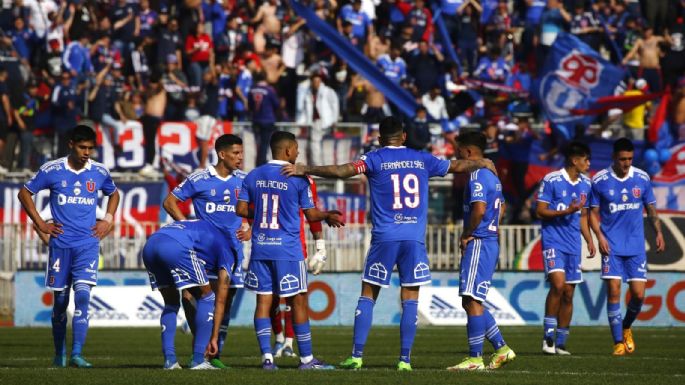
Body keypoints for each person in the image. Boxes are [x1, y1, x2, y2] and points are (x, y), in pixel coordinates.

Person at [281, 117, 497, 371]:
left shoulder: (374, 158)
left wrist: (305, 168)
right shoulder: (422, 158)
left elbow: (342, 171)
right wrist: (481, 161)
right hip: (413, 240)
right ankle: (404, 360)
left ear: (380, 138)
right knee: (410, 298)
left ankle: (357, 356)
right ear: (403, 136)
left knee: (368, 294)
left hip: (385, 237)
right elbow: (457, 166)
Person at [236, 131, 344, 370]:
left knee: (263, 302)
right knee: (298, 301)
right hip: (287, 249)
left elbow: (241, 209)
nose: (298, 154)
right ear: (287, 151)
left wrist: (263, 215)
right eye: (296, 149)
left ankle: (267, 358)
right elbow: (311, 214)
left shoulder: (253, 175)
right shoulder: (297, 178)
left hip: (261, 248)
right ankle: (306, 359)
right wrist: (327, 215)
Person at [17, 125, 120, 368]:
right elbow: (24, 193)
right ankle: (59, 353)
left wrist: (107, 219)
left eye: (91, 148)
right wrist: (40, 222)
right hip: (61, 246)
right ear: (71, 145)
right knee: (61, 302)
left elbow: (114, 194)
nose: (87, 152)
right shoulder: (51, 169)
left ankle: (77, 354)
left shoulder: (99, 172)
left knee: (83, 296)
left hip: (87, 244)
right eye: (83, 147)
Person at [162, 134, 248, 368]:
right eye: (236, 153)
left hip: (231, 252)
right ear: (222, 154)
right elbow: (169, 202)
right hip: (201, 251)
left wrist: (249, 228)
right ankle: (198, 350)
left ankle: (215, 353)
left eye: (242, 153)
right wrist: (189, 227)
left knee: (226, 301)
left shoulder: (244, 180)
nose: (241, 158)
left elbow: (256, 210)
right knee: (190, 296)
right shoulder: (199, 178)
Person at [589, 138, 665, 355]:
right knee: (613, 292)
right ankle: (617, 343)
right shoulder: (600, 180)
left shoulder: (642, 178)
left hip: (635, 247)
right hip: (611, 247)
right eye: (622, 159)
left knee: (639, 296)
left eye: (630, 159)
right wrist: (599, 237)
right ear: (614, 157)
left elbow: (651, 209)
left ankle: (626, 327)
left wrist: (658, 232)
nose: (626, 163)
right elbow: (591, 214)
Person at [447, 131, 515, 371]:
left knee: (472, 300)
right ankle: (502, 348)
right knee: (470, 299)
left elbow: (479, 209)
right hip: (488, 240)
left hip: (479, 242)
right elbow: (502, 205)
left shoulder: (477, 176)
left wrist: (468, 233)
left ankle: (475, 359)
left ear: (467, 152)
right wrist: (493, 226)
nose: (457, 156)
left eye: (458, 151)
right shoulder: (493, 176)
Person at [143, 219, 236, 370]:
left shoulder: (206, 230)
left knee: (171, 303)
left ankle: (170, 360)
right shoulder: (228, 252)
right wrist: (214, 337)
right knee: (208, 296)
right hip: (175, 246)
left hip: (150, 245)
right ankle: (198, 360)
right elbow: (220, 300)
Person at [536, 141, 596, 355]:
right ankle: (548, 338)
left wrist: (589, 239)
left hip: (573, 243)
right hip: (553, 241)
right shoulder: (551, 180)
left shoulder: (586, 184)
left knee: (569, 293)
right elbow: (540, 211)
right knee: (558, 285)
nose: (589, 163)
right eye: (586, 159)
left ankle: (561, 342)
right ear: (574, 160)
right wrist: (565, 212)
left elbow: (583, 217)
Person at [270, 175, 326, 358]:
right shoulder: (264, 176)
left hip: (295, 247)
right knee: (270, 299)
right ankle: (279, 339)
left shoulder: (306, 181)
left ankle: (288, 343)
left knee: (294, 299)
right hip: (270, 244)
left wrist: (320, 247)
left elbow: (312, 212)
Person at [296, 72, 339, 166]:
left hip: (327, 122)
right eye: (314, 81)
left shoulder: (328, 91)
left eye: (318, 81)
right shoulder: (308, 92)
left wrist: (334, 120)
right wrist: (302, 121)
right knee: (314, 145)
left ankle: (327, 166)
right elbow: (303, 108)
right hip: (314, 122)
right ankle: (317, 166)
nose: (316, 83)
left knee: (326, 145)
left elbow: (335, 105)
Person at [249, 71, 279, 166]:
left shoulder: (252, 89)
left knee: (257, 143)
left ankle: (258, 162)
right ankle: (261, 163)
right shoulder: (270, 90)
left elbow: (250, 104)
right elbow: (276, 104)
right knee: (265, 144)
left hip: (256, 119)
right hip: (267, 119)